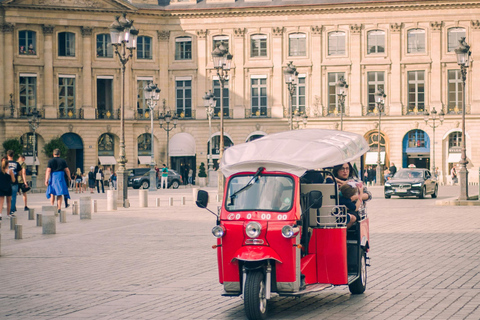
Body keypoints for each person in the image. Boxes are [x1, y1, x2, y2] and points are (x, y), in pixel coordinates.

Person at [45, 149, 71, 213]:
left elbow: (48, 171)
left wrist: (46, 179)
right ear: (59, 154)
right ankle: (59, 208)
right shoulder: (63, 161)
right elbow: (67, 170)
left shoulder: (50, 161)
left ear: (53, 154)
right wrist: (69, 177)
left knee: (52, 193)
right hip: (60, 177)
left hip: (53, 177)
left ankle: (52, 206)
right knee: (59, 194)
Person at [7, 150, 23, 216]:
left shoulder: (5, 163)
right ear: (13, 155)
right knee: (13, 197)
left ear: (7, 155)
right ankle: (11, 210)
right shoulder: (17, 164)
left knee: (5, 197)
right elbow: (20, 173)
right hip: (14, 182)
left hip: (6, 182)